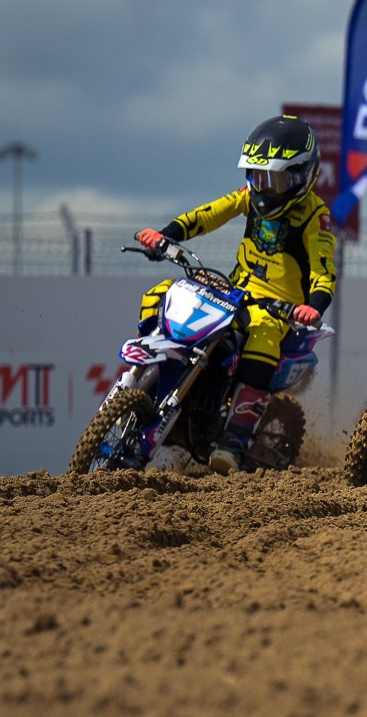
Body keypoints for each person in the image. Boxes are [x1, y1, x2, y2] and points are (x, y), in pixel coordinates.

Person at [135, 115, 338, 473]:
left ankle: (235, 439)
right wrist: (166, 235)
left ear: (302, 175)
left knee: (261, 342)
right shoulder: (249, 196)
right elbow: (209, 214)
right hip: (231, 290)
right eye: (258, 177)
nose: (264, 188)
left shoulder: (315, 217)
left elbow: (324, 274)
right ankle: (144, 380)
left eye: (274, 180)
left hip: (276, 311)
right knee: (162, 293)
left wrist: (312, 307)